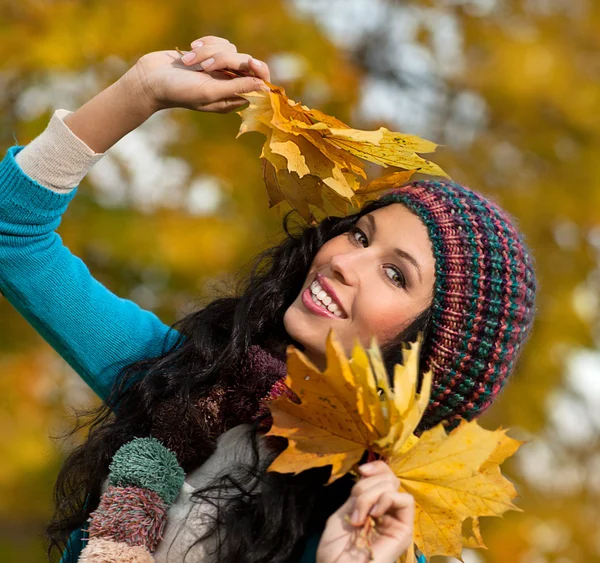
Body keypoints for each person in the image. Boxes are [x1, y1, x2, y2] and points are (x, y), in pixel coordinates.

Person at [0, 35, 537, 563]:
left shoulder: (369, 527)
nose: (344, 262)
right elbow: (13, 232)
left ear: (431, 361)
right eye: (359, 235)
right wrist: (141, 90)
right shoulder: (185, 379)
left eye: (396, 275)